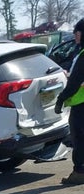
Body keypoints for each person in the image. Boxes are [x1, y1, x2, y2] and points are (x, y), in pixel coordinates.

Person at [55, 18, 84, 185]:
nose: (75, 36)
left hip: (80, 104)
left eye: (77, 32)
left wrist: (61, 99)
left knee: (79, 138)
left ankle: (79, 171)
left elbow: (74, 83)